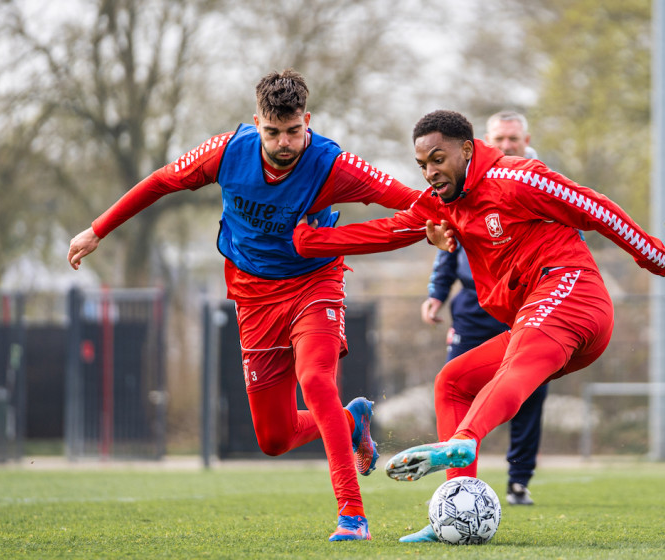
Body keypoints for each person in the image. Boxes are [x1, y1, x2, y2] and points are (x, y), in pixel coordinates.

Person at [67, 69, 421, 542]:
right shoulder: (227, 152)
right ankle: (350, 419)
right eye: (272, 132)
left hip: (314, 283)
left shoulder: (331, 165)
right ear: (256, 123)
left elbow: (411, 203)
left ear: (307, 122)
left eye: (293, 132)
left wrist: (444, 222)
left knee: (316, 381)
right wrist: (97, 229)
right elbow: (159, 182)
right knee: (273, 439)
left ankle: (352, 516)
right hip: (253, 296)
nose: (283, 144)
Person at [293, 110, 665, 542]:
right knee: (452, 382)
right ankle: (451, 512)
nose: (430, 172)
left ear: (468, 149)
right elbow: (387, 231)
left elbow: (592, 206)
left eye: (438, 159)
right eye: (422, 165)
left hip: (572, 291)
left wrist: (653, 254)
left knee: (517, 357)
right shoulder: (443, 205)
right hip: (541, 315)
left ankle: (466, 437)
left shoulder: (517, 178)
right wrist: (310, 242)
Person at [419, 110, 544, 506]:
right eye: (500, 140)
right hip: (474, 307)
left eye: (514, 139)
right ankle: (457, 492)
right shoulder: (458, 182)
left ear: (525, 141)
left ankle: (518, 479)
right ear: (481, 143)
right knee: (455, 384)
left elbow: (569, 232)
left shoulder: (536, 181)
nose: (506, 146)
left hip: (527, 303)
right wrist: (437, 291)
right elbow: (449, 238)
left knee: (527, 392)